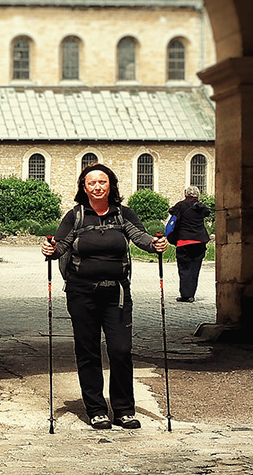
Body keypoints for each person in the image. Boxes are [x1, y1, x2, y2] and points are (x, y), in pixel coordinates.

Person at [40, 163, 165, 429]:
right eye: (91, 183)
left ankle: (123, 410)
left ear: (111, 186)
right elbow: (60, 247)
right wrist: (49, 249)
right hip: (81, 293)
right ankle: (96, 409)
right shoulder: (75, 216)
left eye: (102, 182)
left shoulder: (123, 214)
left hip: (116, 293)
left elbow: (141, 237)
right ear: (83, 188)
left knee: (121, 350)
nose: (97, 187)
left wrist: (155, 245)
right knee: (88, 350)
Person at [166, 185, 211, 303]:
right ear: (198, 196)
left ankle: (186, 295)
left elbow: (171, 211)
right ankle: (191, 294)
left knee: (184, 269)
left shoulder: (181, 205)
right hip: (199, 242)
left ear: (186, 195)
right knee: (195, 269)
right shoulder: (201, 207)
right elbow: (207, 212)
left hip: (184, 241)